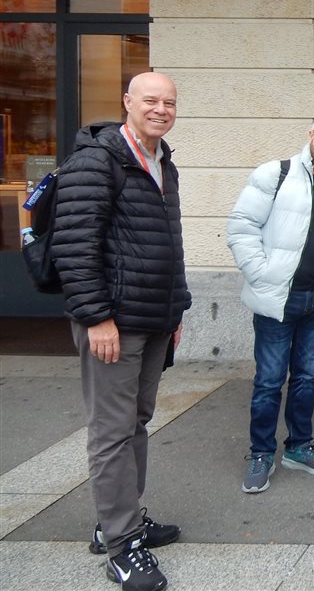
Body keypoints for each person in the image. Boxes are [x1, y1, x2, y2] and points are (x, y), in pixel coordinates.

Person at [52, 72, 188, 591]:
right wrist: (96, 317)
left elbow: (166, 244)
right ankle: (122, 547)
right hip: (113, 320)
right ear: (127, 102)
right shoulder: (99, 158)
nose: (161, 108)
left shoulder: (160, 158)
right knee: (111, 430)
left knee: (136, 419)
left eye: (169, 102)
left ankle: (121, 518)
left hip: (153, 317)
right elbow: (74, 244)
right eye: (150, 100)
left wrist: (174, 313)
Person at [228, 109, 314, 493]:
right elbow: (241, 228)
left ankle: (299, 446)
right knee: (270, 381)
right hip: (280, 297)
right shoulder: (275, 174)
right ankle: (261, 452)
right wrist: (262, 273)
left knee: (306, 378)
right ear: (311, 133)